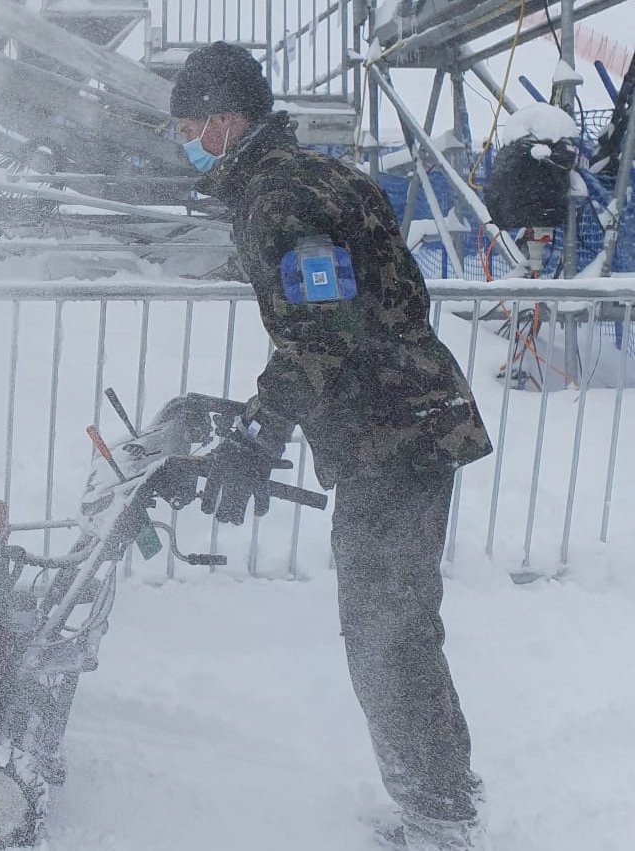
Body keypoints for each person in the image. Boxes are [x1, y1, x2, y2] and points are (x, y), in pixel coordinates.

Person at [167, 42, 495, 851]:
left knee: (385, 629)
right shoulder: (316, 175)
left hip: (393, 433)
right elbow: (375, 300)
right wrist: (262, 414)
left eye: (189, 125)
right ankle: (444, 787)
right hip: (407, 418)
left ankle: (441, 816)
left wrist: (261, 430)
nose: (183, 139)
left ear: (227, 120)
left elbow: (325, 325)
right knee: (401, 622)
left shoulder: (277, 196)